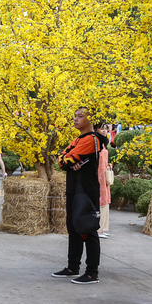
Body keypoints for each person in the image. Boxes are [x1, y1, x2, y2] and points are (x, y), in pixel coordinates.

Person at [52, 107, 108, 285]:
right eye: (75, 116)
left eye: (80, 116)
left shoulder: (92, 139)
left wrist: (69, 161)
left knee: (88, 229)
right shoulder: (78, 139)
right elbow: (61, 159)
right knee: (73, 227)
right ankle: (72, 267)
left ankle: (92, 273)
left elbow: (66, 160)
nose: (76, 119)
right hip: (75, 189)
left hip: (86, 191)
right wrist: (69, 161)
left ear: (90, 119)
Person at [96, 122, 112, 238]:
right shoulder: (95, 143)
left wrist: (108, 165)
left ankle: (102, 228)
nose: (104, 131)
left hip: (104, 176)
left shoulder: (103, 143)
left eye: (106, 129)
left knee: (105, 201)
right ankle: (98, 229)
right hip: (98, 176)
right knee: (100, 201)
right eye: (102, 128)